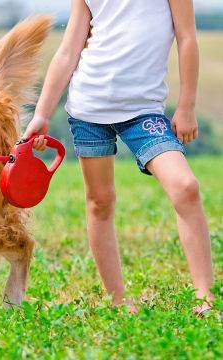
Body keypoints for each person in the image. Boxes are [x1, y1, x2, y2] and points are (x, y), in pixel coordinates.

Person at [23, 0, 215, 313]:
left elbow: (187, 37)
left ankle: (205, 298)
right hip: (88, 108)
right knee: (100, 202)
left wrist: (187, 106)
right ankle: (118, 299)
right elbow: (68, 50)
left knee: (186, 188)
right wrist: (42, 114)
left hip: (143, 112)